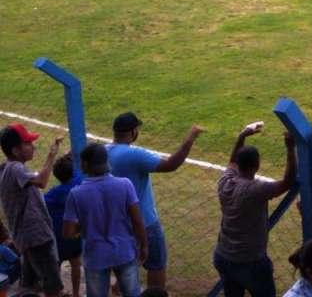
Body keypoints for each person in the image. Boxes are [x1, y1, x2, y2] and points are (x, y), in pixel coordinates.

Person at [108, 112, 202, 290]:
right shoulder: (134, 154)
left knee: (127, 265)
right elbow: (171, 164)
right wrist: (191, 138)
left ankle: (118, 290)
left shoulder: (103, 151)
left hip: (117, 223)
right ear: (133, 132)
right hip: (144, 223)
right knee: (156, 265)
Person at [214, 123, 297, 297]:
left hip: (223, 255)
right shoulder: (256, 190)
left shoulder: (225, 182)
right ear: (256, 165)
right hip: (249, 261)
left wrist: (242, 136)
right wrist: (290, 148)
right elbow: (287, 182)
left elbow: (231, 162)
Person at [63, 143, 147, 297]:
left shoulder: (76, 194)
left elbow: (68, 232)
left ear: (85, 165)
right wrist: (144, 245)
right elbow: (137, 221)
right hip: (124, 252)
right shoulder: (125, 185)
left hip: (96, 257)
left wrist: (84, 225)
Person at [0, 124, 64, 297]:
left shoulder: (6, 168)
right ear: (15, 150)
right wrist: (51, 155)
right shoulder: (15, 168)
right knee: (54, 288)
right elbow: (42, 181)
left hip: (26, 238)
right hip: (36, 238)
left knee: (30, 286)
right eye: (27, 143)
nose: (33, 146)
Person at [44, 153, 82, 297]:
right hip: (74, 233)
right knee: (76, 264)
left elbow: (41, 201)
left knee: (56, 266)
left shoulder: (53, 194)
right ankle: (77, 293)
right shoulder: (78, 181)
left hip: (58, 237)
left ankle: (57, 292)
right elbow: (78, 169)